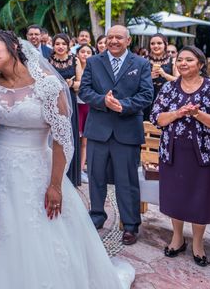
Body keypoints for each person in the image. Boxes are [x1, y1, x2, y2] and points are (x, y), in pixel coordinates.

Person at [0, 30, 135, 288]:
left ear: (14, 45)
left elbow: (62, 139)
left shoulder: (48, 86)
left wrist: (56, 185)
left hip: (36, 169)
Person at [150, 46, 210, 267]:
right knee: (175, 196)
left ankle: (197, 244)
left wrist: (197, 114)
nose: (183, 63)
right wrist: (177, 113)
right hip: (174, 152)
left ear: (201, 64)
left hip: (205, 155)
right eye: (180, 60)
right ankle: (177, 239)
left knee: (200, 199)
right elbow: (157, 118)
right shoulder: (169, 88)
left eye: (189, 60)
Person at [79, 25, 153, 246]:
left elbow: (147, 94)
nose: (113, 41)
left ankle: (130, 225)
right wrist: (103, 101)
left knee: (127, 180)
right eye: (110, 37)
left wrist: (124, 105)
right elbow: (84, 91)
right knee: (95, 176)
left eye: (118, 37)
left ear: (128, 41)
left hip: (127, 130)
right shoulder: (93, 62)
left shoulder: (141, 64)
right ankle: (97, 215)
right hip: (98, 130)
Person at [48, 33, 81, 187]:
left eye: (63, 43)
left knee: (69, 134)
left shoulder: (75, 60)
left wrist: (71, 84)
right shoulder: (48, 60)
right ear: (53, 46)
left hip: (70, 101)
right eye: (57, 44)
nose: (60, 46)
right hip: (52, 101)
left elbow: (81, 83)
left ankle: (71, 176)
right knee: (53, 135)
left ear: (68, 45)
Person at [145, 33, 178, 119]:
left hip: (167, 97)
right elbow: (135, 81)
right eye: (152, 43)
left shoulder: (173, 61)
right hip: (147, 98)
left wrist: (164, 75)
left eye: (159, 43)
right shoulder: (143, 60)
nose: (156, 46)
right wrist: (149, 77)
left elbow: (179, 80)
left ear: (165, 44)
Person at [75, 43, 95, 184]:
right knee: (75, 139)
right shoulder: (73, 66)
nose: (85, 54)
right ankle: (72, 169)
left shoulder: (95, 69)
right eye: (82, 51)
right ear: (78, 54)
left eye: (88, 52)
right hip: (76, 106)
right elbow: (79, 84)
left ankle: (81, 170)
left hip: (88, 106)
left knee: (85, 142)